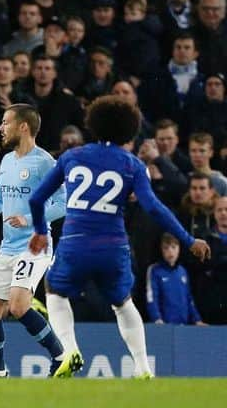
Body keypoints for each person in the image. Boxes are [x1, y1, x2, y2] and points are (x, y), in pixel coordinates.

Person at [28, 95, 213, 378]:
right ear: (129, 129)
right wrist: (188, 240)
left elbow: (37, 199)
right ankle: (142, 368)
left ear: (93, 124)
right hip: (113, 246)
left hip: (74, 243)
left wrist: (41, 231)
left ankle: (70, 350)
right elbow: (154, 207)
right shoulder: (132, 165)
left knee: (54, 290)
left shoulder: (72, 157)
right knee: (123, 303)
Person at [0, 104, 69, 378]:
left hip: (35, 245)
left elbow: (64, 202)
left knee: (19, 306)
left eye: (5, 122)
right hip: (8, 247)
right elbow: (0, 199)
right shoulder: (7, 160)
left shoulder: (45, 162)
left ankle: (61, 358)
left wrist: (30, 217)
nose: (0, 128)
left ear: (23, 126)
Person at [145, 233, 205, 326]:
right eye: (166, 248)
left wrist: (197, 319)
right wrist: (157, 318)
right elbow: (152, 298)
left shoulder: (182, 271)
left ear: (179, 248)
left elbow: (189, 298)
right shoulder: (154, 270)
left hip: (183, 325)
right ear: (161, 250)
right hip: (163, 326)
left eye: (174, 247)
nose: (170, 251)